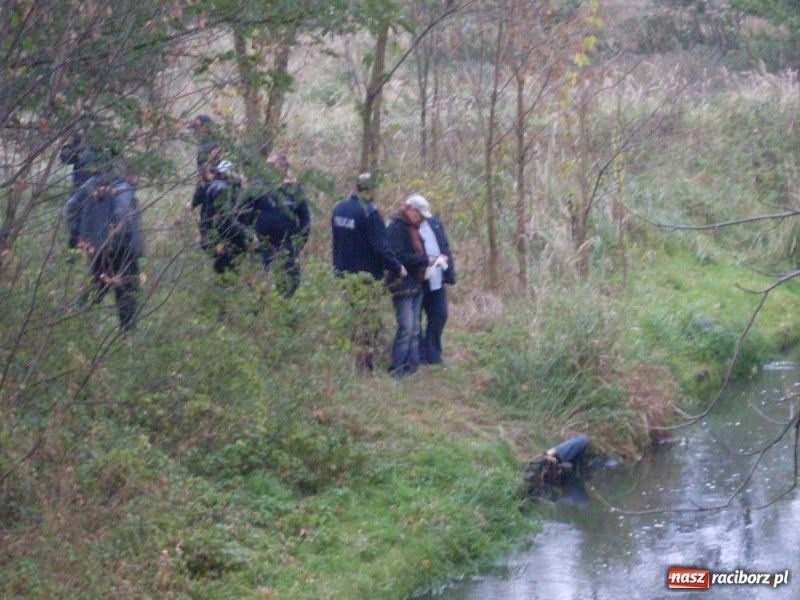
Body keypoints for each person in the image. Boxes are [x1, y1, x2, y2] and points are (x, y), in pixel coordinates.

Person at [331, 173, 407, 372]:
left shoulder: (339, 208)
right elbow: (381, 246)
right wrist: (397, 267)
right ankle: (364, 365)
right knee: (366, 318)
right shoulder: (370, 213)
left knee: (352, 314)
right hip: (366, 276)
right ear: (371, 190)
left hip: (342, 273)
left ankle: (349, 359)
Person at [65, 163, 144, 334]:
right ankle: (127, 335)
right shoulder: (123, 188)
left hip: (97, 248)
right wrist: (116, 238)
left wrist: (78, 237)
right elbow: (122, 215)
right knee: (127, 293)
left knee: (97, 286)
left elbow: (70, 207)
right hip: (123, 250)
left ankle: (75, 326)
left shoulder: (89, 184)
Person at [237, 153, 310, 297]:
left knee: (289, 283)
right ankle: (257, 312)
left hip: (287, 245)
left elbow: (305, 221)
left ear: (282, 168)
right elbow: (239, 217)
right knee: (256, 286)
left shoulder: (294, 190)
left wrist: (298, 245)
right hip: (260, 245)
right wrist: (249, 236)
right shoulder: (256, 189)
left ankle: (285, 309)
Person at [385, 197, 432, 378]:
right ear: (412, 210)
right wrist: (425, 260)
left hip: (417, 283)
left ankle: (412, 366)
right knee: (406, 327)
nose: (422, 219)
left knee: (415, 329)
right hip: (402, 284)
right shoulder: (396, 228)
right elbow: (398, 256)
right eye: (420, 215)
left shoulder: (414, 229)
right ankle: (397, 368)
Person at [410, 194, 456, 365]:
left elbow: (444, 244)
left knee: (440, 314)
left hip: (436, 277)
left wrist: (448, 269)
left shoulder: (434, 223)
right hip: (418, 279)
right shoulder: (404, 228)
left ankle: (433, 353)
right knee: (415, 320)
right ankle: (420, 354)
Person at [204, 159, 247, 275]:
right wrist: (243, 231)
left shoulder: (215, 186)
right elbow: (225, 217)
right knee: (226, 267)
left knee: (223, 268)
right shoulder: (224, 189)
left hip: (219, 234)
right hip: (227, 235)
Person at [187, 114, 223, 250]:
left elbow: (205, 181)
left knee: (208, 241)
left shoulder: (205, 150)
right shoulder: (224, 145)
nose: (195, 133)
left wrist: (194, 203)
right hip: (231, 200)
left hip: (212, 199)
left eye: (197, 129)